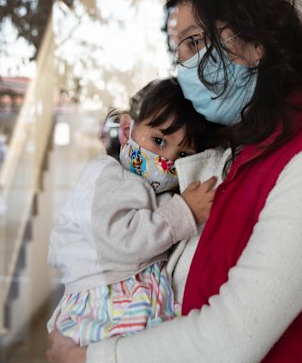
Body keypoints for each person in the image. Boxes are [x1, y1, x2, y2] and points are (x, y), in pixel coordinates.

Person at [47, 0, 302, 363]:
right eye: (179, 51)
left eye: (196, 42)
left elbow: (230, 340)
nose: (184, 65)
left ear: (257, 42)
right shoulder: (240, 155)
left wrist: (92, 358)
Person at [47, 77, 223, 346]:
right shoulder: (104, 176)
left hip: (135, 299)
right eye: (159, 141)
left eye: (184, 155)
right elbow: (122, 239)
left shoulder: (157, 192)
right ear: (127, 130)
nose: (168, 162)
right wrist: (184, 211)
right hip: (103, 302)